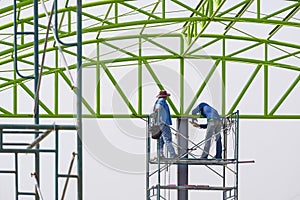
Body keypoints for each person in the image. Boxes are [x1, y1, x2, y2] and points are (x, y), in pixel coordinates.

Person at [153, 90, 176, 158]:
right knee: (167, 139)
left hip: (159, 123)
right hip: (163, 123)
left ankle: (160, 154)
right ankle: (172, 154)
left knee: (161, 140)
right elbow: (157, 108)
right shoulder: (162, 100)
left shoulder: (158, 101)